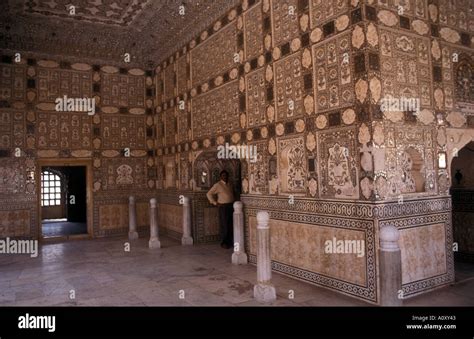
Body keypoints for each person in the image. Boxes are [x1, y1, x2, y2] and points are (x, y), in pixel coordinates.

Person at [206, 170, 234, 249]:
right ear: (220, 177)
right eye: (223, 175)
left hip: (230, 206)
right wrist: (215, 203)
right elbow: (208, 194)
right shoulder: (218, 185)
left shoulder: (229, 184)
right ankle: (224, 242)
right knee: (224, 225)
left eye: (226, 175)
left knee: (230, 225)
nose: (225, 177)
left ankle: (230, 242)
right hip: (223, 207)